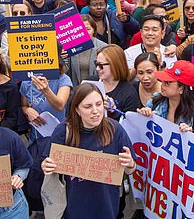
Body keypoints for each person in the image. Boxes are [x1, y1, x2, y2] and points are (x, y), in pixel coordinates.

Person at [41, 83, 136, 219]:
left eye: (98, 104)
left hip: (107, 208)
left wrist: (130, 164)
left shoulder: (115, 129)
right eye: (88, 106)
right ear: (77, 110)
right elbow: (47, 163)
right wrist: (46, 166)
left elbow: (131, 170)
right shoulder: (63, 131)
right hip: (73, 210)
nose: (95, 111)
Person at [137, 60, 194, 136]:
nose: (162, 84)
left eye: (167, 82)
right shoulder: (154, 102)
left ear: (181, 88)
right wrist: (143, 118)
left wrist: (191, 137)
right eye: (162, 80)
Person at [19, 44, 73, 141]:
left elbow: (60, 106)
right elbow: (24, 105)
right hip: (36, 138)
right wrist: (28, 111)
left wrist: (46, 90)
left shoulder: (63, 80)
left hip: (59, 137)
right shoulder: (26, 82)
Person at [96, 44, 140, 120]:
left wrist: (114, 110)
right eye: (96, 64)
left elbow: (130, 124)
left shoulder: (129, 93)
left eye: (101, 65)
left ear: (114, 65)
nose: (97, 69)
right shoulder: (90, 82)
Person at [67, 14, 107, 86]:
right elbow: (65, 72)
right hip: (75, 92)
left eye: (88, 29)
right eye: (80, 29)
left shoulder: (103, 47)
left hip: (97, 90)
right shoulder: (69, 47)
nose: (84, 32)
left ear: (93, 30)